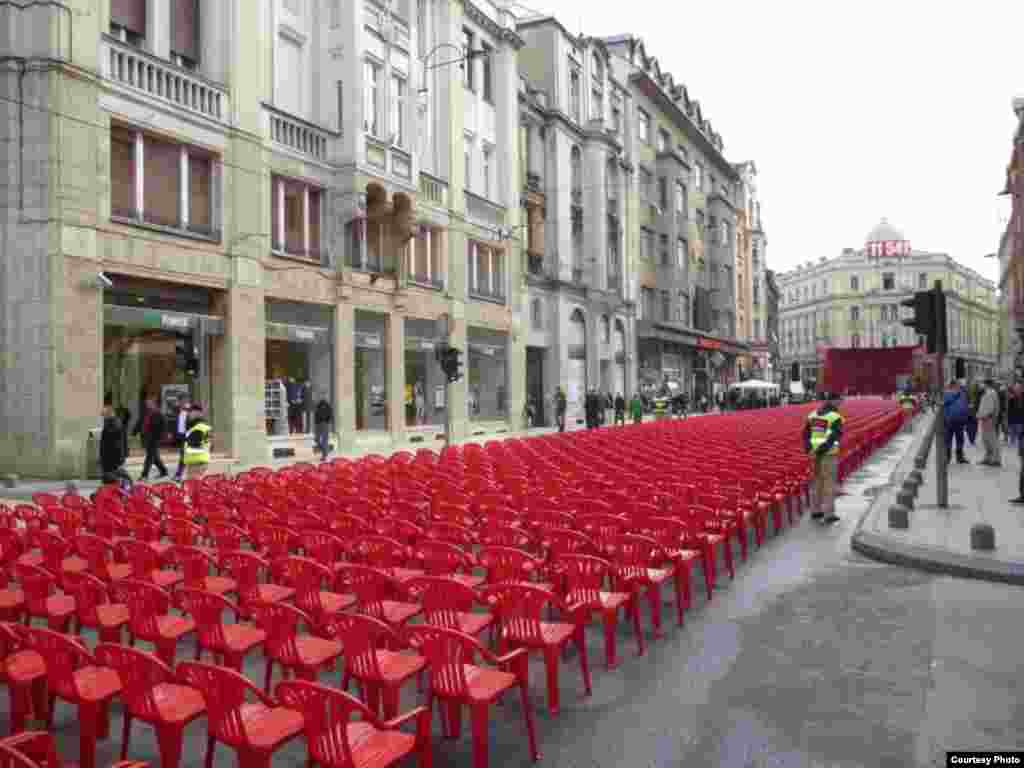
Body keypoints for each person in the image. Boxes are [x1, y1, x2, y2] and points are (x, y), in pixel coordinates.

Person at [804, 392, 843, 524]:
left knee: (816, 482)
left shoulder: (812, 414)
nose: (841, 402)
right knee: (829, 483)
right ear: (834, 401)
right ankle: (829, 514)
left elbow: (805, 434)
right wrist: (822, 449)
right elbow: (834, 437)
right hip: (828, 454)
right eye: (840, 400)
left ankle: (815, 511)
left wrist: (809, 449)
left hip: (814, 453)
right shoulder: (835, 417)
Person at [100, 395, 131, 489]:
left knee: (112, 477)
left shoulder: (115, 422)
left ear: (109, 412)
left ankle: (121, 488)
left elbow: (113, 440)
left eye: (104, 413)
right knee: (109, 478)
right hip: (110, 456)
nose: (102, 415)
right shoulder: (111, 422)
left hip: (112, 457)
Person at [139, 397, 168, 480]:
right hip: (147, 437)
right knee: (154, 457)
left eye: (149, 403)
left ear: (154, 404)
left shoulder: (159, 413)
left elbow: (163, 427)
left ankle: (144, 475)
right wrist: (135, 431)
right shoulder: (147, 412)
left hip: (155, 438)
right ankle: (164, 471)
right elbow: (141, 422)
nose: (147, 405)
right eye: (146, 403)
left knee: (149, 457)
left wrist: (162, 436)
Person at [942, 379, 970, 465]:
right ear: (953, 385)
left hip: (956, 420)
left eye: (959, 385)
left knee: (957, 439)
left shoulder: (961, 394)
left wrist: (965, 417)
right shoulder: (950, 393)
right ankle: (951, 457)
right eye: (957, 385)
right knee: (951, 439)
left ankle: (956, 457)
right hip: (953, 420)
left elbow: (965, 406)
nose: (959, 386)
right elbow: (946, 402)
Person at [977, 379, 1002, 467]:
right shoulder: (989, 393)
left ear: (987, 384)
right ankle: (988, 457)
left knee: (991, 439)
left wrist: (982, 415)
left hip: (988, 419)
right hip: (986, 418)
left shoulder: (990, 393)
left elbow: (989, 408)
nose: (981, 385)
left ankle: (995, 459)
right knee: (986, 440)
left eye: (983, 384)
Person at [182, 404, 211, 479]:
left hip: (196, 463)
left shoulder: (197, 427)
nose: (189, 414)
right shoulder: (202, 425)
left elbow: (194, 447)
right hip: (200, 461)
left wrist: (186, 447)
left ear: (197, 413)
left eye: (191, 412)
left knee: (192, 486)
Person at [173, 399, 190, 481]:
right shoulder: (178, 413)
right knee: (183, 455)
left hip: (188, 437)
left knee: (183, 456)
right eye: (181, 403)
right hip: (181, 436)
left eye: (184, 403)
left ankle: (179, 475)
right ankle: (180, 475)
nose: (182, 405)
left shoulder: (190, 414)